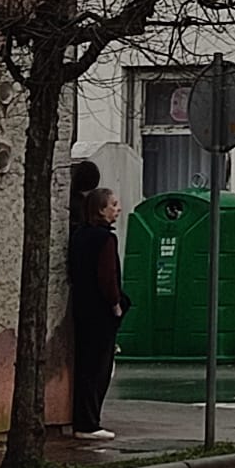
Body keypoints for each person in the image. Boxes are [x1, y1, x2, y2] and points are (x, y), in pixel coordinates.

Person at [68, 186, 129, 441]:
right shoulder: (105, 239)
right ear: (101, 210)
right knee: (98, 368)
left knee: (85, 366)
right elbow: (107, 276)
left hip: (81, 308)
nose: (118, 208)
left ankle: (83, 419)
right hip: (100, 312)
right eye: (113, 204)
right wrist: (116, 304)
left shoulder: (79, 235)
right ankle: (89, 423)